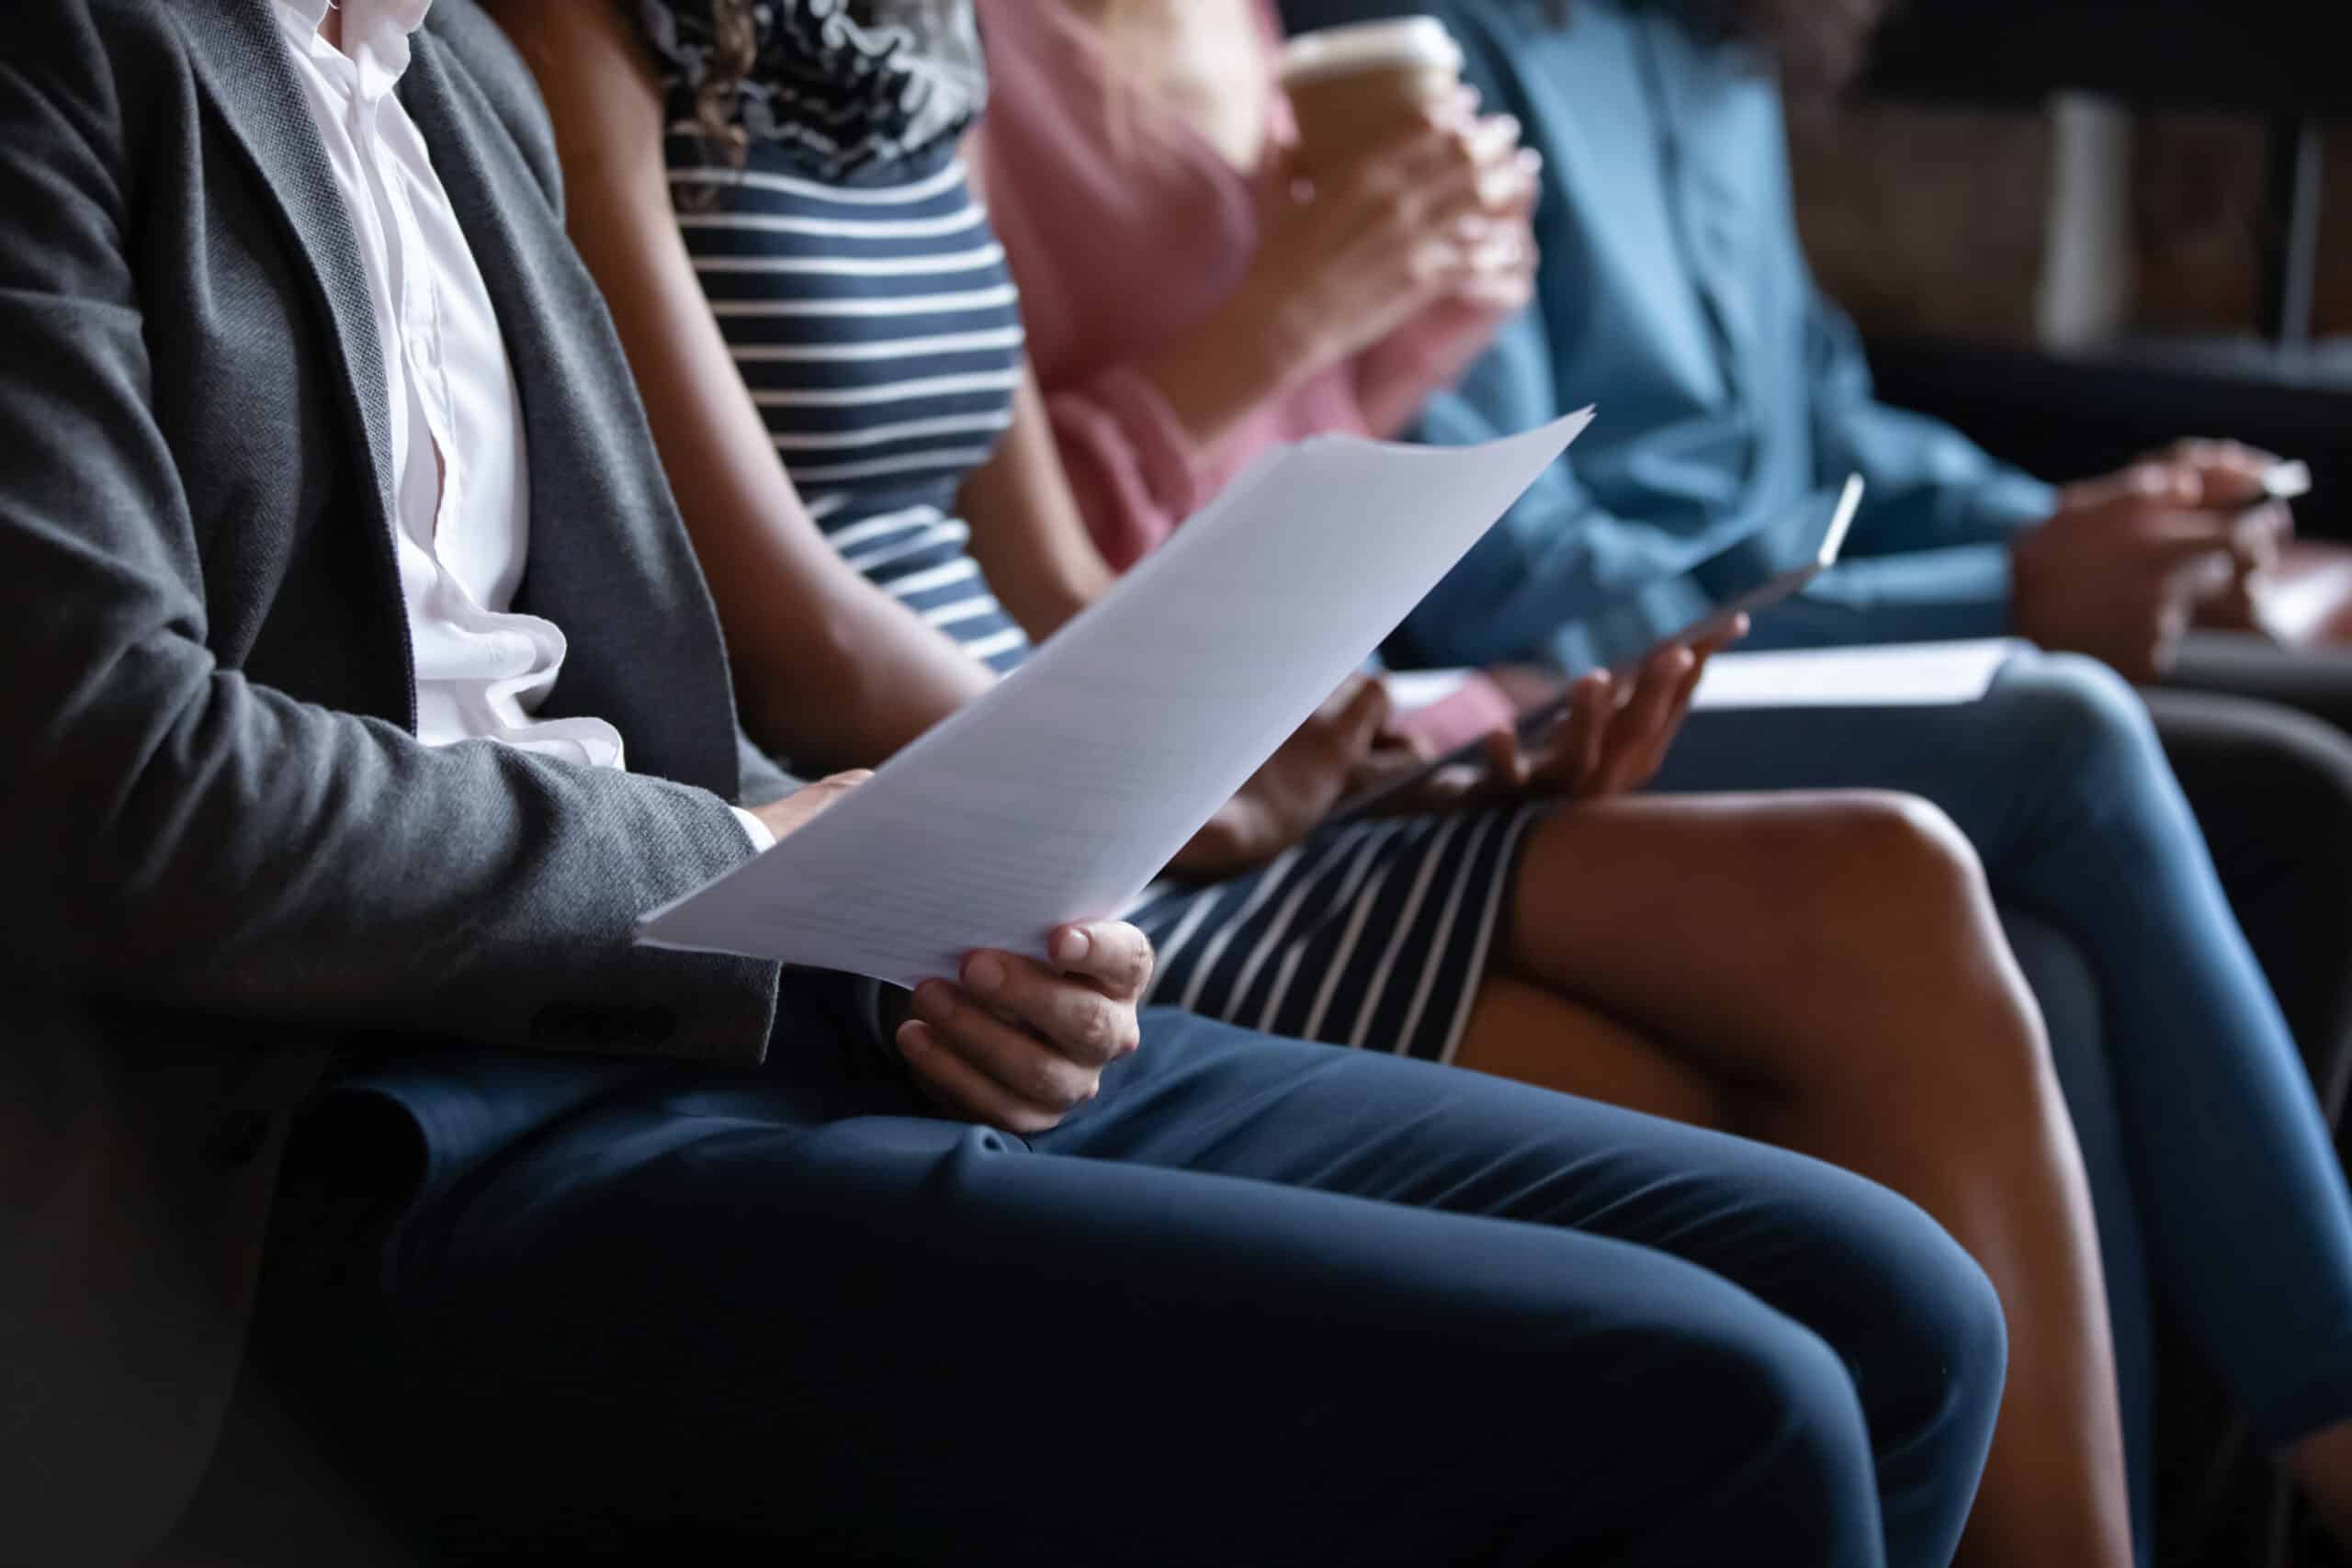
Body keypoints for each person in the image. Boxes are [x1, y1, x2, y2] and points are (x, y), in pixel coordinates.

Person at [0, 1, 2017, 1564]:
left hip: (732, 983)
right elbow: (124, 791)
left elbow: (658, 697)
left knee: (1895, 1299)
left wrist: (959, 917)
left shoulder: (458, 92)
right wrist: (750, 861)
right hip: (356, 1128)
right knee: (1728, 1397)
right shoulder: (81, 62)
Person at [958, 0, 2352, 1560]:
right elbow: (1499, 564)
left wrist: (2085, 523)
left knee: (2297, 785)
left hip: (1344, 697)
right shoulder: (1423, 55)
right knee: (2063, 754)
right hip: (1476, 677)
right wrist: (2010, 591)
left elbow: (1824, 430)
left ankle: (2238, 1508)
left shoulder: (1727, 56)